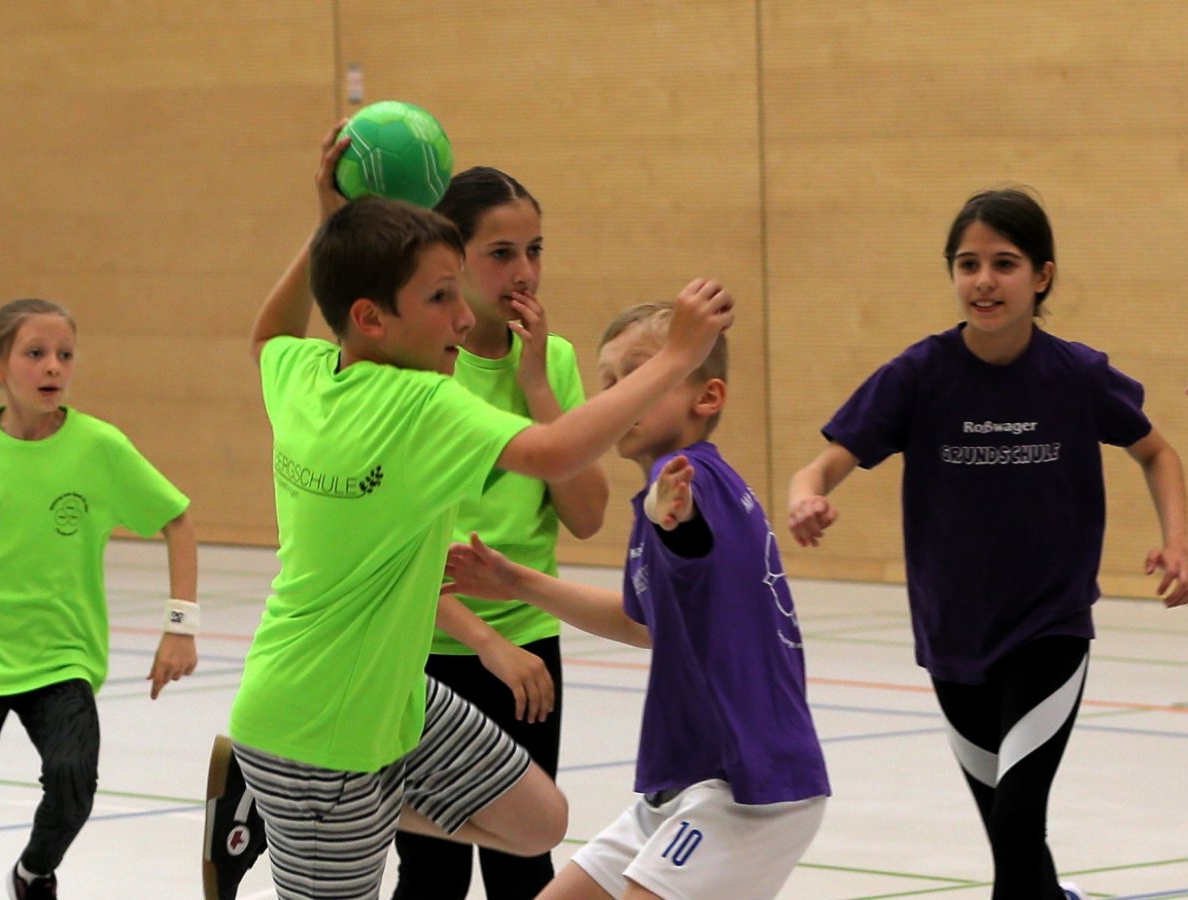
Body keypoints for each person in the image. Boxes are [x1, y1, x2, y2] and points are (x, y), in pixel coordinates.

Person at [207, 121, 733, 900]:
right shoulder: (419, 401)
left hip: (391, 696)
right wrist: (675, 358)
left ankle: (297, 799)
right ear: (372, 318)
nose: (460, 316)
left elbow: (267, 335)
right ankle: (287, 802)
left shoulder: (306, 371)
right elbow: (555, 454)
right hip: (320, 735)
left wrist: (331, 226)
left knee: (538, 823)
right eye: (440, 296)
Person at [788, 188, 1188, 900]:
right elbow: (822, 462)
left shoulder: (1076, 375)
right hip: (953, 636)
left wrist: (1178, 544)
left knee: (1015, 821)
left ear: (1041, 276)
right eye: (967, 263)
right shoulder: (919, 375)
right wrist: (806, 495)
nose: (983, 280)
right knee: (1017, 842)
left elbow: (1158, 452)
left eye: (1004, 263)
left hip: (1049, 628)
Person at [441, 301, 830, 900]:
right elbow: (638, 621)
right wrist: (519, 582)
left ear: (707, 396)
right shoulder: (664, 497)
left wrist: (671, 518)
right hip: (682, 786)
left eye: (642, 374)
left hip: (751, 787)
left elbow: (692, 530)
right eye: (610, 382)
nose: (622, 394)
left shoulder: (692, 482)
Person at [0, 298, 199, 900]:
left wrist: (180, 625)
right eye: (35, 354)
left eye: (63, 354)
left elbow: (178, 520)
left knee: (72, 780)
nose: (53, 366)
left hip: (63, 653)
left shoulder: (100, 447)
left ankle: (33, 873)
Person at [386, 166, 609, 900]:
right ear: (453, 257)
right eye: (502, 252)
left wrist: (540, 384)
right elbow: (396, 552)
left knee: (524, 861)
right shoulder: (418, 374)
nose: (524, 272)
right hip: (430, 647)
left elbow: (585, 514)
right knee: (433, 867)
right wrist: (485, 644)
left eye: (535, 250)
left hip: (530, 650)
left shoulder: (556, 361)